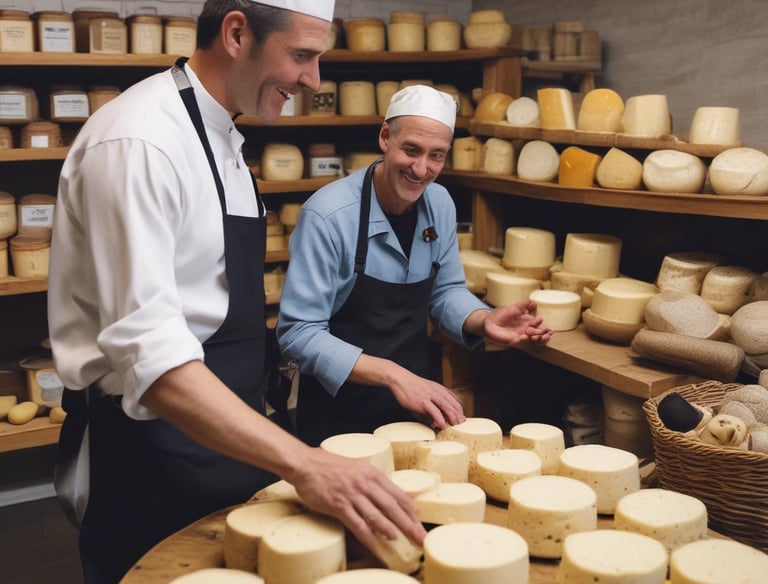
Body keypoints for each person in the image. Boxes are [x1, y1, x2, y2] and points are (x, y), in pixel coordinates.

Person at [47, 2, 425, 582]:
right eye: (301, 55)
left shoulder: (224, 137)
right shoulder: (139, 143)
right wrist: (304, 462)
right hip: (152, 455)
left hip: (234, 440)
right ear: (236, 33)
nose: (313, 80)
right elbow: (155, 360)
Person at [277, 84, 554, 446]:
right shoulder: (328, 216)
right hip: (339, 416)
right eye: (411, 150)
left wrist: (483, 320)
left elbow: (447, 291)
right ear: (385, 137)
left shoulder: (439, 204)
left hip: (417, 405)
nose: (422, 169)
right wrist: (393, 375)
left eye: (436, 156)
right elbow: (298, 334)